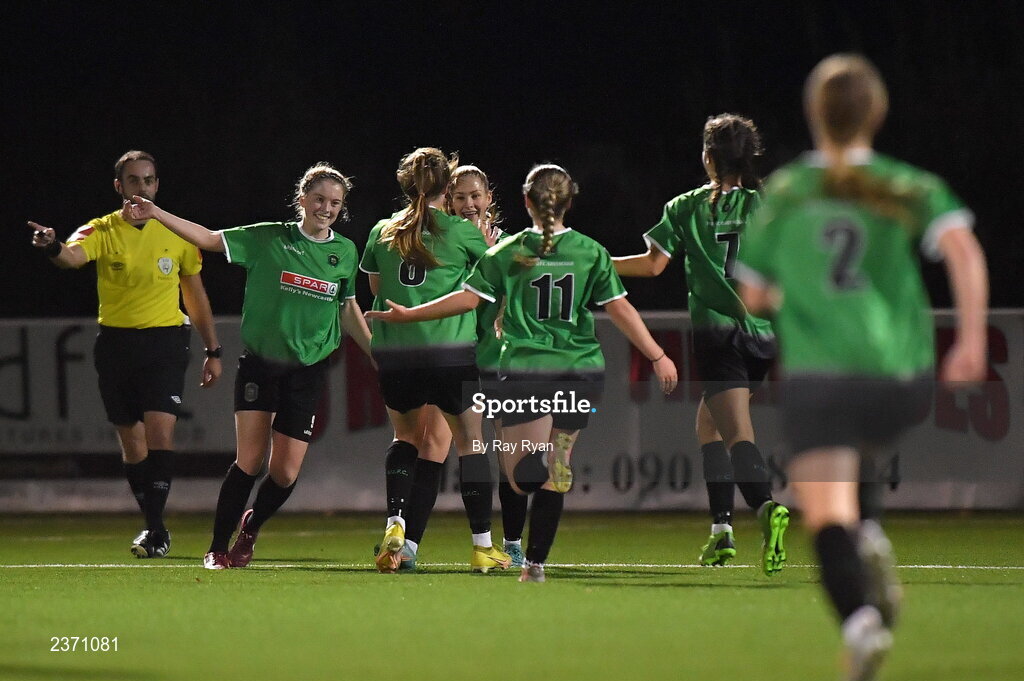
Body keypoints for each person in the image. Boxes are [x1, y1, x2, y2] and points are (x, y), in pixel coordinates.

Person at [735, 54, 988, 680]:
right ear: (877, 112)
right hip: (900, 376)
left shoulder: (788, 192)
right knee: (864, 448)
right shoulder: (905, 184)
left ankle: (861, 619)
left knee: (826, 513)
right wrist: (972, 341)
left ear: (813, 114)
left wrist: (793, 292)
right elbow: (962, 249)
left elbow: (753, 295)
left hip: (823, 377)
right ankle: (871, 530)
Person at [367, 163, 678, 582]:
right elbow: (621, 305)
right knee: (491, 454)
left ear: (513, 200)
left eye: (475, 195)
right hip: (574, 369)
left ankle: (497, 542)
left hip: (515, 365)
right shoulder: (584, 250)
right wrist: (657, 354)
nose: (468, 203)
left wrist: (409, 316)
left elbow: (464, 299)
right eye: (460, 196)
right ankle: (506, 547)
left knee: (504, 465)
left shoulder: (504, 250)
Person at [122, 162, 372, 570]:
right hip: (260, 364)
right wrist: (155, 212)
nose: (326, 208)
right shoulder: (268, 237)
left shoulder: (343, 251)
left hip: (307, 369)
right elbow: (206, 238)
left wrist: (376, 352)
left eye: (335, 203)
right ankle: (217, 548)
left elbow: (347, 308)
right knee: (249, 461)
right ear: (303, 199)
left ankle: (251, 527)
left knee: (286, 473)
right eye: (319, 199)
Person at [612, 115, 789, 576]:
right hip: (764, 336)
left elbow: (653, 267)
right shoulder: (768, 204)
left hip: (719, 335)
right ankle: (721, 534)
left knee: (736, 435)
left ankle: (768, 508)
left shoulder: (688, 207)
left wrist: (595, 263)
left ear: (709, 157)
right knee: (708, 425)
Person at [29, 150, 222, 559]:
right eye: (133, 180)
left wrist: (213, 348)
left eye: (149, 180)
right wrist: (51, 246)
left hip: (166, 342)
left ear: (157, 185)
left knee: (159, 432)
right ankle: (154, 525)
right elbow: (72, 257)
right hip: (116, 345)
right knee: (132, 443)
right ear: (120, 187)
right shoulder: (102, 230)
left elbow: (195, 294)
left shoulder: (175, 233)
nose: (142, 188)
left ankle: (154, 530)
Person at [361, 148, 511, 573]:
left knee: (406, 440)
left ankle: (396, 525)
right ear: (447, 188)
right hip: (448, 351)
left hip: (396, 353)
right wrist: (487, 246)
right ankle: (483, 546)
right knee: (471, 443)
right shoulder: (462, 233)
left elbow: (377, 285)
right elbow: (490, 284)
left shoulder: (382, 230)